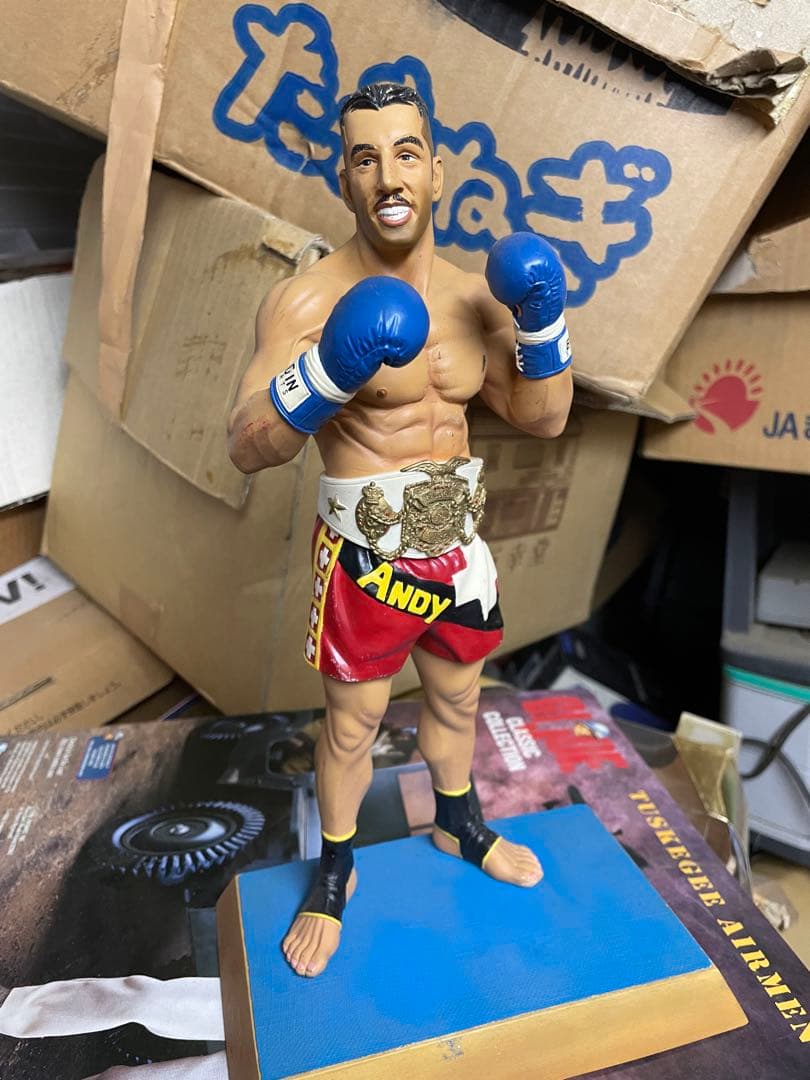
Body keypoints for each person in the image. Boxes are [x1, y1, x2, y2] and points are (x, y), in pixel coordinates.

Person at [227, 82, 573, 978]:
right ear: (344, 179)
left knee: (459, 700)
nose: (388, 177)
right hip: (367, 552)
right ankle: (333, 873)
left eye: (406, 153)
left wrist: (543, 320)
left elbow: (543, 419)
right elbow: (247, 445)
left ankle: (459, 825)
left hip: (456, 547)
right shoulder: (306, 302)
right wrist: (329, 370)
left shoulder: (474, 298)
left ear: (437, 172)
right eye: (366, 158)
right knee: (355, 726)